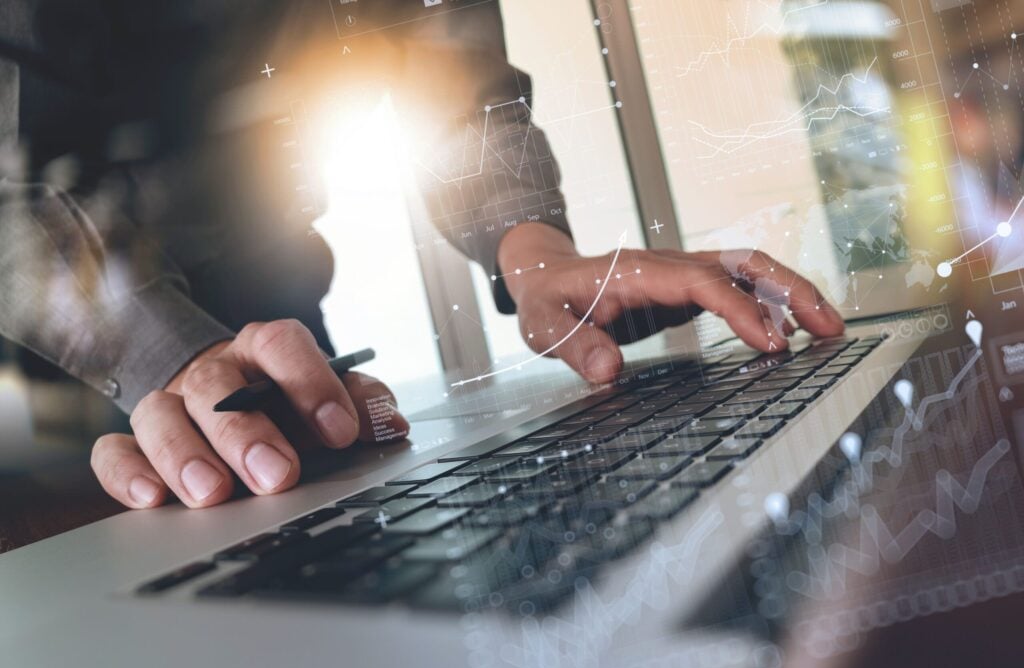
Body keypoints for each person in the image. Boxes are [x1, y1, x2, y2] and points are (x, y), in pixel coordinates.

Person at [0, 1, 844, 510]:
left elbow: (442, 62)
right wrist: (165, 353)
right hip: (54, 386)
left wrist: (533, 245)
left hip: (278, 337)